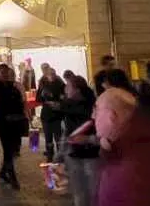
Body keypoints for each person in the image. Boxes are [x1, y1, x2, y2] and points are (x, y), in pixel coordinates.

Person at [93, 87, 150, 206]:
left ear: (111, 116)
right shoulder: (137, 142)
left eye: (96, 110)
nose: (93, 116)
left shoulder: (134, 166)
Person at [59, 74, 99, 206]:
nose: (66, 90)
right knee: (78, 190)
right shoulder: (68, 105)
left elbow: (102, 131)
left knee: (93, 190)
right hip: (74, 153)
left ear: (77, 90)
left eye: (68, 87)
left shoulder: (92, 107)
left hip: (91, 154)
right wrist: (60, 153)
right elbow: (67, 131)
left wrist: (89, 139)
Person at [0, 63, 29, 189]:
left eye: (7, 73)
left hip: (15, 124)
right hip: (4, 125)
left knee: (11, 151)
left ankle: (2, 173)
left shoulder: (13, 87)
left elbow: (20, 103)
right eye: (3, 73)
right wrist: (8, 114)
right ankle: (12, 177)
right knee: (8, 151)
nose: (6, 75)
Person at [36, 63, 66, 161]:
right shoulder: (43, 84)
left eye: (53, 74)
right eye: (50, 74)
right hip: (46, 115)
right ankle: (50, 155)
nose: (52, 76)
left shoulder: (60, 84)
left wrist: (58, 102)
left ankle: (60, 156)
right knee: (48, 138)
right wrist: (43, 96)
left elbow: (65, 98)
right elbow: (38, 99)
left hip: (57, 115)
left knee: (58, 138)